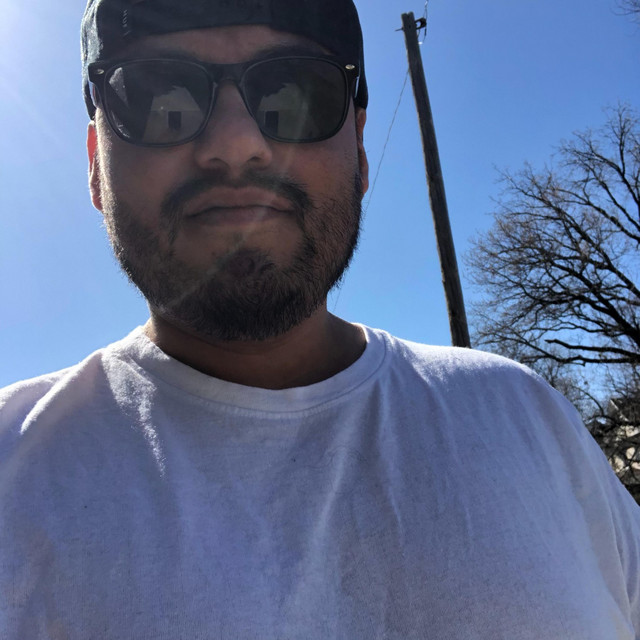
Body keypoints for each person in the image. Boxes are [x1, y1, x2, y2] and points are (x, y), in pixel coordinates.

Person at [1, 0, 639, 637]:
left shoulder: (527, 419)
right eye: (158, 100)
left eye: (293, 97)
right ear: (95, 162)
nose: (236, 145)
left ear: (360, 150)